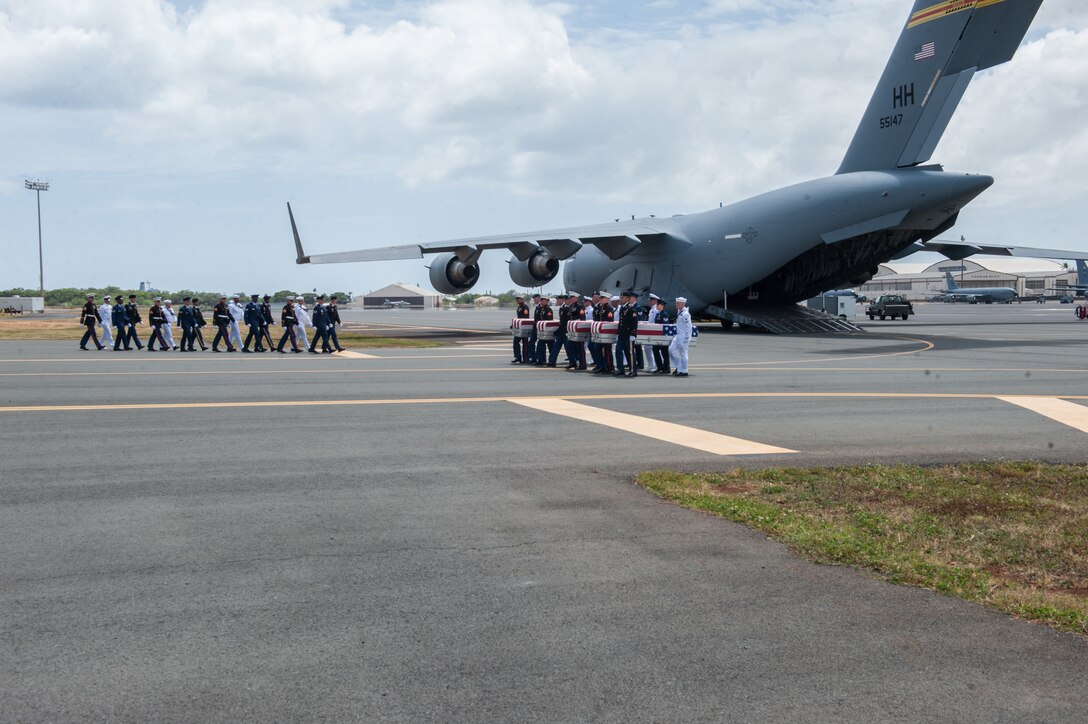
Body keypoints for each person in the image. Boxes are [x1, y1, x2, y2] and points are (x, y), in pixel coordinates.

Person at [616, 291, 641, 377]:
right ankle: (620, 369)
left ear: (627, 298)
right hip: (621, 335)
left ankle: (633, 370)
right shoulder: (622, 308)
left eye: (622, 298)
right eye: (620, 297)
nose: (621, 299)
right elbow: (621, 322)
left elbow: (634, 322)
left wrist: (633, 334)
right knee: (618, 351)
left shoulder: (631, 309)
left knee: (629, 353)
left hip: (628, 335)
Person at [669, 296, 692, 377]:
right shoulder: (679, 311)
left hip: (683, 336)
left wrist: (687, 337)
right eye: (676, 303)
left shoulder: (686, 314)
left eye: (678, 303)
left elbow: (689, 327)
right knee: (671, 350)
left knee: (683, 353)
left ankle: (684, 370)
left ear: (682, 304)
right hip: (678, 335)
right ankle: (678, 367)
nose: (676, 305)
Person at [547, 292, 569, 367]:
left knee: (568, 348)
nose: (557, 302)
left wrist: (561, 330)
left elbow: (566, 322)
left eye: (558, 300)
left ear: (563, 300)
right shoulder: (562, 308)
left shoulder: (566, 308)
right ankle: (552, 361)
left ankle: (574, 361)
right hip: (561, 332)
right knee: (555, 348)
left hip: (565, 332)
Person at [642, 293, 660, 373]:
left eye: (651, 300)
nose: (649, 302)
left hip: (654, 331)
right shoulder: (652, 309)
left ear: (655, 301)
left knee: (654, 349)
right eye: (649, 300)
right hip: (650, 331)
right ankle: (651, 365)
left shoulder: (656, 310)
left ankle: (656, 365)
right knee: (647, 348)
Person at [652, 298, 671, 374]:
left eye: (658, 304)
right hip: (657, 336)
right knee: (655, 350)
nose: (656, 306)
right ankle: (659, 367)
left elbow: (665, 325)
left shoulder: (664, 314)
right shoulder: (658, 314)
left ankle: (666, 368)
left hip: (663, 336)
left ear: (662, 305)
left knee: (664, 352)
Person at [533, 295, 553, 365]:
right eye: (541, 300)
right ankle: (541, 360)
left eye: (542, 300)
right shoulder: (542, 309)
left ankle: (551, 360)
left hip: (547, 331)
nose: (541, 302)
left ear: (547, 301)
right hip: (542, 331)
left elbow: (549, 321)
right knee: (540, 346)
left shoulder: (548, 310)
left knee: (551, 347)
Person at [511, 293, 530, 364]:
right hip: (519, 327)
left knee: (525, 344)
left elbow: (525, 318)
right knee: (516, 342)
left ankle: (525, 359)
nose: (517, 300)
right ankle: (517, 357)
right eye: (516, 299)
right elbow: (519, 318)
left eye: (518, 299)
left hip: (524, 328)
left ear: (522, 299)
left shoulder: (525, 307)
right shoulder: (519, 307)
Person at [527, 293, 541, 364]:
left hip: (540, 328)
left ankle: (538, 359)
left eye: (535, 298)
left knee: (540, 345)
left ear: (539, 298)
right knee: (531, 343)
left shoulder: (542, 307)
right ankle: (533, 357)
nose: (534, 300)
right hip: (535, 327)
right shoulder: (537, 307)